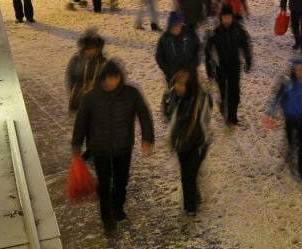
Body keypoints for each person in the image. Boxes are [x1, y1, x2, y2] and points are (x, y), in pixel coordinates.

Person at [70, 60, 154, 235]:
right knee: (105, 184)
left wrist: (147, 138)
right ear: (102, 79)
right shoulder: (91, 98)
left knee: (121, 181)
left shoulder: (131, 94)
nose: (111, 82)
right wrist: (76, 147)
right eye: (108, 79)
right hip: (100, 149)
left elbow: (144, 115)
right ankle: (107, 219)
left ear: (120, 77)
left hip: (123, 147)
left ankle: (118, 207)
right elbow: (81, 123)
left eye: (114, 78)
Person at [161, 65, 212, 217]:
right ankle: (193, 196)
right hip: (180, 142)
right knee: (186, 172)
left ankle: (190, 208)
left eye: (182, 84)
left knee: (188, 174)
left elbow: (205, 120)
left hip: (197, 144)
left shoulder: (202, 98)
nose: (178, 86)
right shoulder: (171, 96)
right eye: (177, 82)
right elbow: (167, 113)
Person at [205, 4, 252, 125]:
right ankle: (223, 107)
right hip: (221, 68)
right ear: (221, 18)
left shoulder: (238, 30)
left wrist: (248, 59)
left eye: (229, 17)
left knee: (235, 93)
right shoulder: (216, 33)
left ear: (232, 17)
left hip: (234, 66)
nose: (227, 19)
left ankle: (233, 117)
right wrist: (209, 68)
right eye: (224, 17)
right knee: (224, 93)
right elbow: (208, 51)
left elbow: (245, 44)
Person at [66, 30, 108, 111]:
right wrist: (75, 94)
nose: (91, 51)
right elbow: (71, 79)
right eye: (88, 49)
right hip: (82, 101)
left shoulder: (103, 62)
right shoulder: (77, 60)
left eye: (93, 48)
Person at [156, 11, 200, 82]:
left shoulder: (189, 35)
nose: (177, 27)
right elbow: (159, 57)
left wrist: (191, 68)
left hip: (190, 76)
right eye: (175, 25)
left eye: (179, 25)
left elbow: (196, 51)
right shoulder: (164, 39)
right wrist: (168, 72)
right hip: (174, 78)